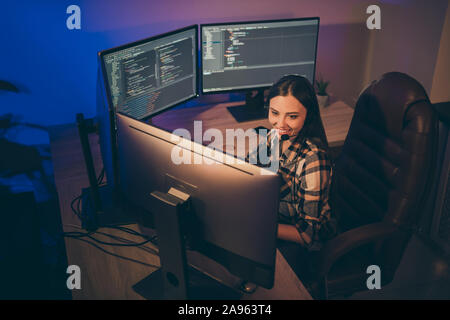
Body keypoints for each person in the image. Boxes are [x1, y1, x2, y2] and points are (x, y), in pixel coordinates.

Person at [248, 74, 337, 283]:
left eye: (292, 116)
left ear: (308, 115)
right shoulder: (274, 135)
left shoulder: (313, 160)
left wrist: (259, 225)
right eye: (275, 113)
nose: (280, 123)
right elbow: (250, 173)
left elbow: (307, 236)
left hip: (300, 244)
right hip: (272, 219)